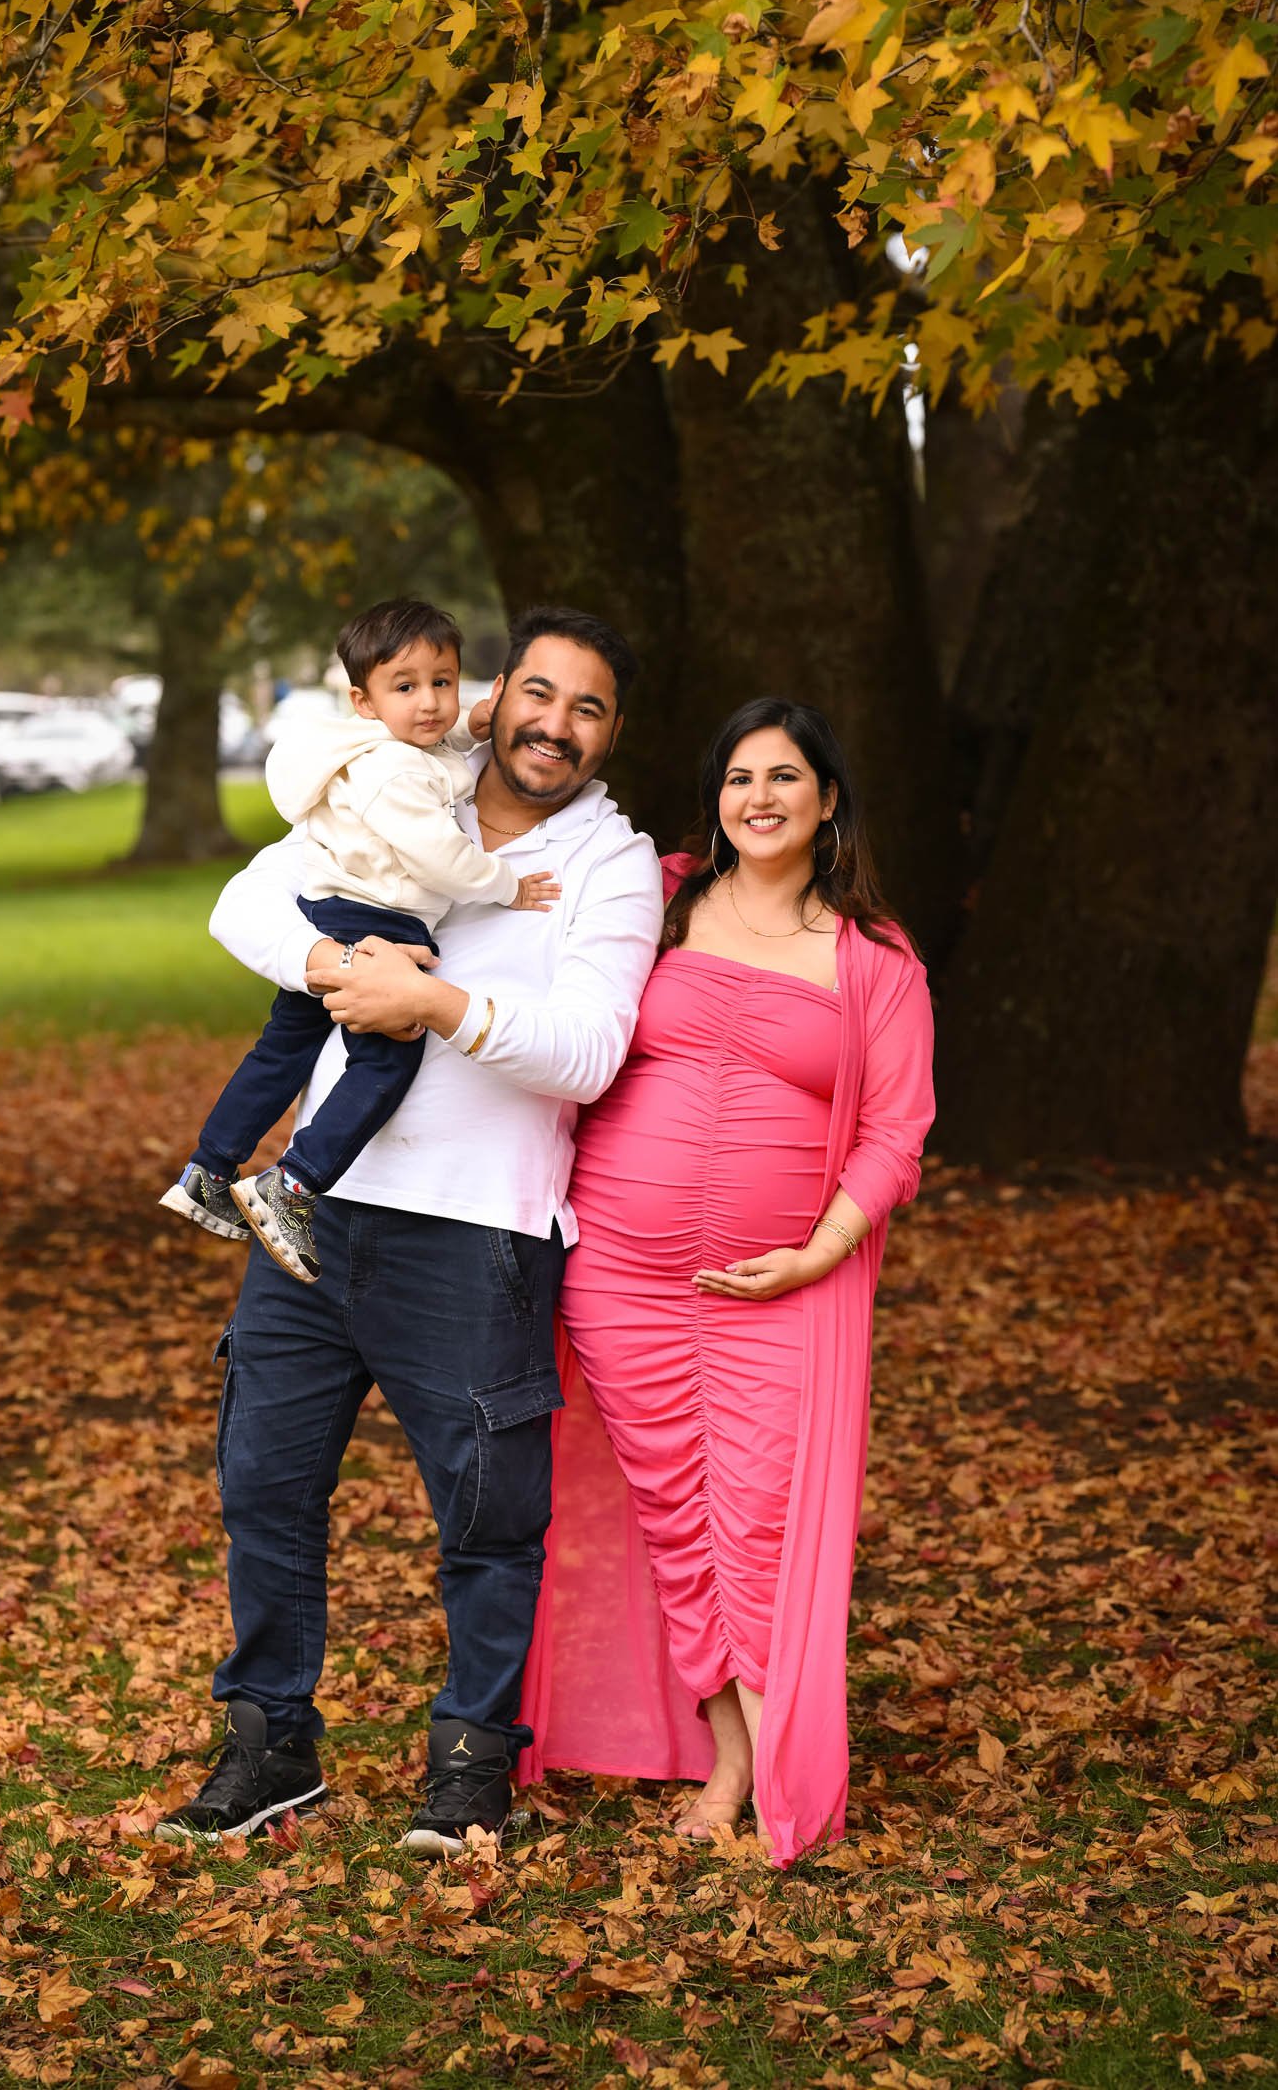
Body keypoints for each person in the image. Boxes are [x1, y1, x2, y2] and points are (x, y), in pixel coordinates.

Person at [155, 609, 663, 1854]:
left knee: (488, 1519)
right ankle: (269, 1745)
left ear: (610, 731)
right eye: (538, 693)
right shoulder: (393, 784)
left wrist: (431, 999)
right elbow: (242, 907)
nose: (555, 724)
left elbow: (589, 1053)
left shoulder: (613, 862)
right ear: (498, 695)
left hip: (479, 1236)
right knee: (263, 1487)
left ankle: (470, 1766)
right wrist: (341, 966)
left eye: (588, 707)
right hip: (313, 1212)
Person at [516, 698, 935, 1867]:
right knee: (672, 1518)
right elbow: (531, 936)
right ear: (717, 798)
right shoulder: (657, 897)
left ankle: (766, 1759)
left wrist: (819, 1249)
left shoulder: (877, 962)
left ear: (827, 801)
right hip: (622, 1277)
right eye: (740, 776)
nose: (760, 797)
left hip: (779, 1287)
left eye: (786, 778)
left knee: (756, 1518)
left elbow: (895, 1132)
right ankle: (731, 1753)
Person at [160, 599, 557, 1283]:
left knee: (281, 1051)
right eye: (405, 687)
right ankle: (294, 1183)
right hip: (381, 926)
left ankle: (208, 1168)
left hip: (329, 914)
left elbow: (438, 741)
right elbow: (438, 856)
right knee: (385, 1063)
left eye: (443, 681)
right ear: (363, 700)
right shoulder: (392, 774)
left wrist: (472, 722)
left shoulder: (384, 748)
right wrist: (505, 885)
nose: (430, 703)